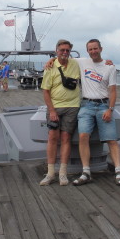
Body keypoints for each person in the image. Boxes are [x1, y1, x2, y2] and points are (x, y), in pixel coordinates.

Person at [72, 39, 120, 186]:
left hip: (103, 105)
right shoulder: (82, 62)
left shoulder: (110, 67)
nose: (93, 51)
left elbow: (113, 91)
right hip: (86, 105)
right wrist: (50, 61)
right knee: (83, 136)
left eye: (95, 49)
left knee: (111, 140)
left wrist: (110, 109)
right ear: (87, 51)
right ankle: (86, 171)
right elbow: (62, 58)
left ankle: (118, 171)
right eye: (90, 49)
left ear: (101, 49)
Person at [39, 39, 81, 186]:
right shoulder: (50, 67)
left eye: (67, 50)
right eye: (62, 50)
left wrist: (107, 62)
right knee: (52, 137)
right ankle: (50, 173)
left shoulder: (76, 64)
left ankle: (62, 173)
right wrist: (51, 110)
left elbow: (94, 60)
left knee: (66, 138)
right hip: (55, 107)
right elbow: (45, 91)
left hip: (72, 106)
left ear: (70, 52)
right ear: (56, 51)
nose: (64, 53)